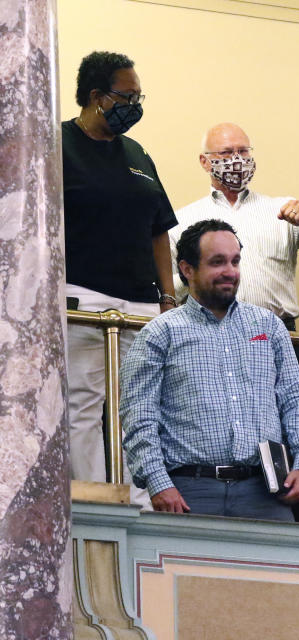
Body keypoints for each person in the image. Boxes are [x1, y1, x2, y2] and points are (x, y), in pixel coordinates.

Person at [120, 220, 299, 520]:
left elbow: (296, 399)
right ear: (187, 269)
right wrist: (157, 482)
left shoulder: (269, 327)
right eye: (217, 262)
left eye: (235, 261)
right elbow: (139, 415)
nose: (230, 271)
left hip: (266, 492)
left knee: (276, 569)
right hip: (189, 493)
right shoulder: (159, 333)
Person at [63, 51, 177, 486]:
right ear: (96, 96)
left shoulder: (137, 153)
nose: (136, 104)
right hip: (83, 300)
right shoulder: (57, 144)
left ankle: (142, 502)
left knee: (141, 408)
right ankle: (94, 507)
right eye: (126, 96)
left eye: (138, 95)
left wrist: (168, 297)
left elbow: (159, 230)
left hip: (142, 305)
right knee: (84, 408)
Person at [170, 122, 299, 372]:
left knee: (289, 409)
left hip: (278, 336)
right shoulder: (181, 221)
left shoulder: (281, 211)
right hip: (206, 336)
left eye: (244, 151)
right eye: (226, 153)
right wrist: (194, 278)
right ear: (204, 162)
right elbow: (165, 289)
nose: (237, 160)